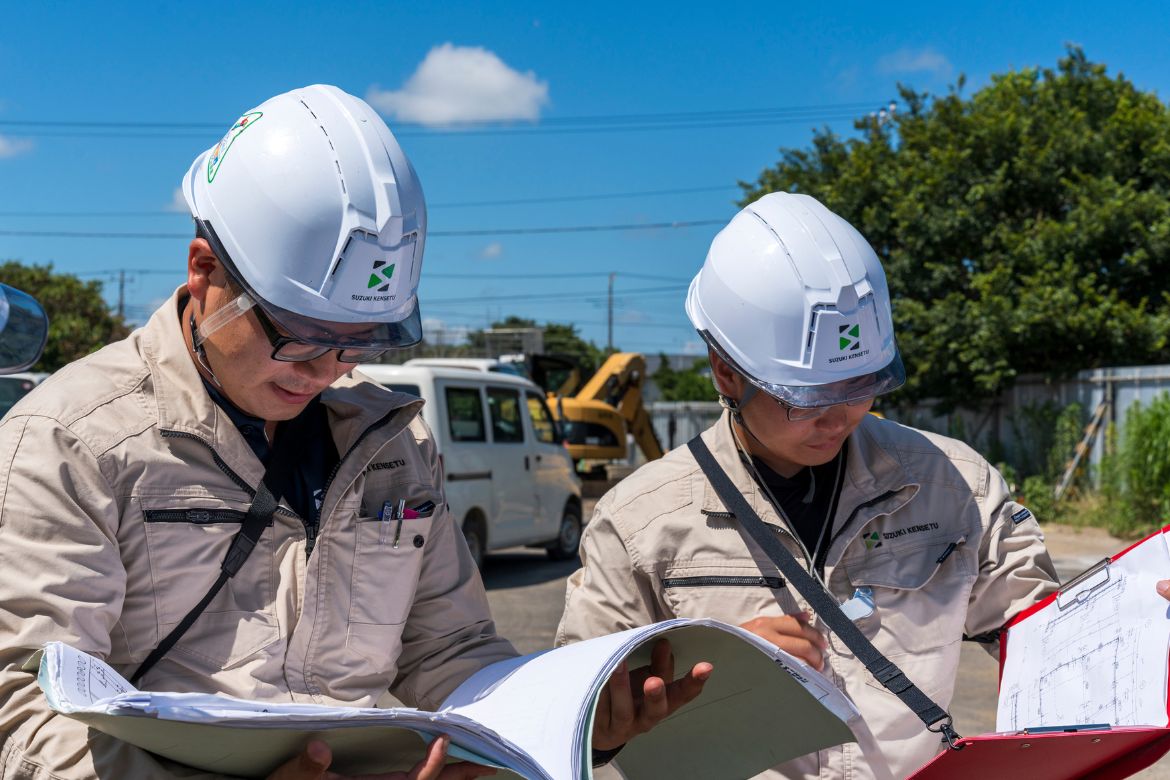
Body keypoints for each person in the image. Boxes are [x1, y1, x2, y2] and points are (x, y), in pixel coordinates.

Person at [0, 85, 707, 780]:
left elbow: (450, 651)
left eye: (362, 340)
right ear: (205, 270)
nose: (329, 368)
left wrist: (565, 724)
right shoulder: (70, 441)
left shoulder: (393, 447)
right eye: (302, 336)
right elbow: (26, 710)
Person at [556, 192, 1061, 779]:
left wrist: (1146, 627)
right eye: (810, 397)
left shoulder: (955, 487)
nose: (841, 416)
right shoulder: (640, 522)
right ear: (726, 370)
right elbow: (574, 724)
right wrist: (713, 662)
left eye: (862, 384)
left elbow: (1052, 638)